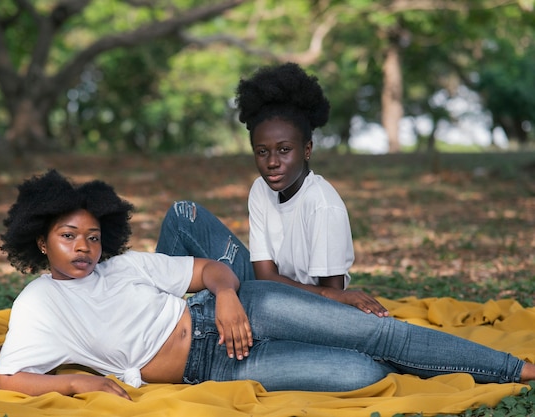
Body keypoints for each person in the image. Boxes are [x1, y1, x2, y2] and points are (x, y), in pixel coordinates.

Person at [0, 170, 535, 399]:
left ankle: (516, 368)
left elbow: (209, 271)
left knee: (381, 338)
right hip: (215, 367)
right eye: (68, 236)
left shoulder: (124, 267)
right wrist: (80, 383)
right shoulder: (38, 304)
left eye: (94, 236)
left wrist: (226, 296)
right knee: (365, 372)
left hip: (232, 313)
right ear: (40, 242)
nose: (84, 248)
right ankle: (405, 356)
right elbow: (11, 375)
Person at [155, 62, 387, 317]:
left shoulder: (323, 205)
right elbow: (264, 275)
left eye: (284, 150)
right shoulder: (260, 189)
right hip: (265, 288)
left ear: (307, 149)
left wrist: (323, 297)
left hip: (302, 310)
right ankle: (155, 317)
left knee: (251, 297)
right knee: (183, 215)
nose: (273, 162)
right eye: (262, 152)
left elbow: (333, 301)